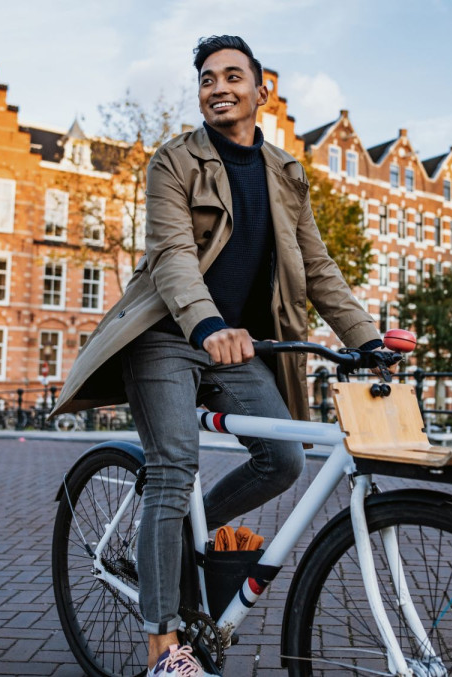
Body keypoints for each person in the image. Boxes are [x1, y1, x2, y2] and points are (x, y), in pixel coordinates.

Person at [53, 35, 382, 676]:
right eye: (207, 78)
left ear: (262, 90)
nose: (218, 86)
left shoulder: (286, 173)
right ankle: (163, 650)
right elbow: (174, 258)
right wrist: (205, 324)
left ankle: (171, 534)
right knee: (174, 467)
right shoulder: (173, 162)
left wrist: (365, 338)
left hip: (236, 346)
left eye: (233, 75)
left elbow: (317, 268)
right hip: (169, 337)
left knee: (283, 459)